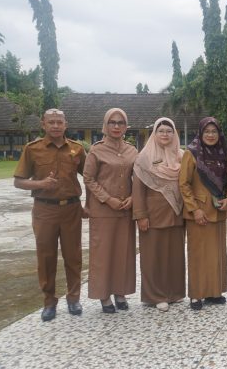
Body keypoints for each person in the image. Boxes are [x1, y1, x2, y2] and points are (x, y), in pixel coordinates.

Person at [13, 108, 86, 321]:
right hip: (44, 210)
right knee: (46, 257)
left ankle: (74, 298)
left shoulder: (77, 149)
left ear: (65, 125)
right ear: (43, 125)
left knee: (73, 256)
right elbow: (18, 181)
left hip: (71, 209)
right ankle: (49, 302)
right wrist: (41, 184)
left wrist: (89, 204)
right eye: (51, 122)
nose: (55, 126)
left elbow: (90, 176)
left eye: (59, 122)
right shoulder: (32, 149)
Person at [83, 108, 138, 313]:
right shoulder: (96, 150)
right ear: (105, 125)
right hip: (103, 211)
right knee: (103, 253)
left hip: (125, 210)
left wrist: (134, 197)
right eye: (112, 122)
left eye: (120, 123)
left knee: (123, 253)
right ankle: (104, 296)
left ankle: (120, 293)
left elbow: (139, 178)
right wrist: (108, 199)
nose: (116, 126)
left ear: (126, 127)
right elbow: (88, 178)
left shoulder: (132, 151)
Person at [179, 117, 227, 310]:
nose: (211, 135)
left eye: (214, 131)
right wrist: (194, 209)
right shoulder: (191, 153)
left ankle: (213, 292)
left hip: (218, 211)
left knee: (216, 254)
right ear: (200, 133)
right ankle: (196, 294)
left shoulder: (223, 153)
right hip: (199, 212)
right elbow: (184, 184)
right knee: (198, 254)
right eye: (207, 131)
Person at [132, 117, 186, 312]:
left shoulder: (181, 156)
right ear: (154, 133)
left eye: (169, 131)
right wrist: (140, 215)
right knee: (153, 257)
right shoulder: (144, 158)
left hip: (177, 213)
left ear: (174, 134)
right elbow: (138, 190)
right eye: (161, 131)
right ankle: (156, 295)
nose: (165, 134)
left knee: (175, 256)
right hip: (153, 215)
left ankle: (175, 293)